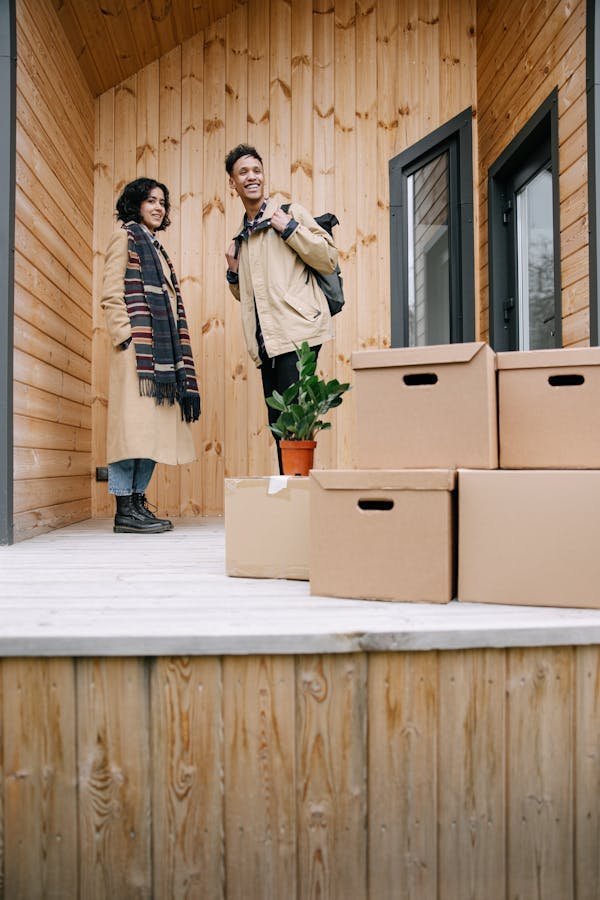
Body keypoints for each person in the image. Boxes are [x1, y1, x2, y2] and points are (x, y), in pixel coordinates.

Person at [224, 144, 338, 473]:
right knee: (280, 425)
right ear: (232, 183)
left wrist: (289, 228)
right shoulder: (242, 237)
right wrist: (233, 271)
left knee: (296, 425)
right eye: (243, 172)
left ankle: (298, 503)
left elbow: (328, 258)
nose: (251, 177)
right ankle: (292, 495)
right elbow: (249, 296)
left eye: (256, 170)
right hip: (267, 342)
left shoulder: (289, 212)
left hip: (297, 333)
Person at [101, 177, 201, 533]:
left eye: (163, 202)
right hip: (137, 354)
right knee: (131, 431)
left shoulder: (156, 248)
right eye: (151, 201)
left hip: (158, 357)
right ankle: (124, 507)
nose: (158, 207)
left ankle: (137, 503)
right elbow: (111, 294)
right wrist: (126, 338)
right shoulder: (125, 237)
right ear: (135, 204)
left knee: (151, 432)